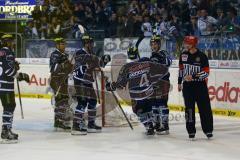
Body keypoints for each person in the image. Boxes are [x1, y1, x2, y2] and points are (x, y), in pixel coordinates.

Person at [106, 47, 168, 135]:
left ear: (128, 55)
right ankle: (156, 123)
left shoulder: (126, 68)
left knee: (138, 111)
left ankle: (149, 125)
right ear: (137, 53)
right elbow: (163, 70)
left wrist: (111, 86)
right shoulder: (146, 61)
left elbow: (120, 85)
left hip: (137, 96)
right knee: (149, 108)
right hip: (149, 92)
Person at [71, 35, 110, 135]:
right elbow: (88, 62)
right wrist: (97, 60)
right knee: (82, 103)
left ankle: (91, 124)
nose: (92, 45)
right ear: (86, 43)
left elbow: (97, 65)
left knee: (92, 101)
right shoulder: (80, 52)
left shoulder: (90, 53)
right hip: (80, 81)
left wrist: (104, 61)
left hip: (87, 81)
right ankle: (76, 126)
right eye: (90, 43)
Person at [178, 36, 213, 140]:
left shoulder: (202, 56)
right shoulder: (183, 55)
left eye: (187, 43)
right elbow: (181, 70)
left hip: (200, 86)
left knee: (205, 109)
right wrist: (179, 82)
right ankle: (191, 131)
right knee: (189, 109)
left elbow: (206, 73)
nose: (185, 44)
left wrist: (192, 76)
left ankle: (208, 130)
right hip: (188, 87)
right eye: (185, 43)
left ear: (193, 44)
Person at [0, 34, 29, 143]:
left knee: (10, 106)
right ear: (7, 42)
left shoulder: (1, 51)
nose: (14, 43)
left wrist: (13, 66)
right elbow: (8, 71)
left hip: (2, 84)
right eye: (12, 41)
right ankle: (5, 132)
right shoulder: (8, 52)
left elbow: (5, 67)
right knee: (9, 106)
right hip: (6, 85)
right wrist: (20, 75)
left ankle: (7, 129)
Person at [149, 35, 172, 135]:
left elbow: (169, 62)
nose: (153, 46)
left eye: (155, 44)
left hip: (163, 82)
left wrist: (161, 58)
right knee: (154, 104)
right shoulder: (152, 55)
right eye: (152, 44)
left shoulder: (163, 53)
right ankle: (157, 124)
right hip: (154, 83)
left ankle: (165, 125)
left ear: (159, 44)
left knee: (162, 103)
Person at [49, 37, 73, 131]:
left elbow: (68, 69)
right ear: (57, 45)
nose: (64, 46)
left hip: (64, 81)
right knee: (60, 100)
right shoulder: (54, 55)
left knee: (64, 100)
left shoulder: (65, 55)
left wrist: (70, 66)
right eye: (62, 44)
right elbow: (53, 69)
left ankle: (61, 119)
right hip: (57, 81)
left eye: (64, 44)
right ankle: (58, 122)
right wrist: (63, 64)